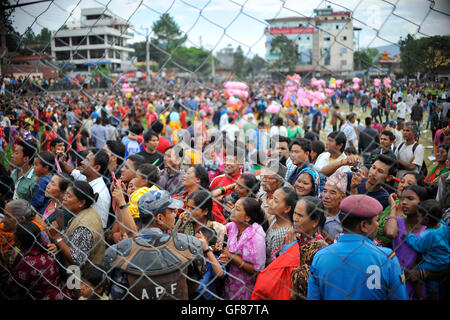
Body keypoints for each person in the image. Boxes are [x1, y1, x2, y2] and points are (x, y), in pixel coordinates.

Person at [104, 189, 204, 300]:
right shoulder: (189, 244)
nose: (175, 215)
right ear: (160, 218)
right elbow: (193, 283)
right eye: (171, 211)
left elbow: (117, 294)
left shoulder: (120, 252)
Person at [308, 194, 409, 300]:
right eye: (376, 220)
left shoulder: (321, 256)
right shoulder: (386, 258)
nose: (378, 225)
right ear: (364, 225)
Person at [251, 196, 327, 300]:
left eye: (300, 215)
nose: (295, 219)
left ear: (315, 221)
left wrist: (289, 254)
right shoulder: (294, 236)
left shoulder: (320, 248)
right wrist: (283, 252)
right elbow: (275, 259)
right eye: (295, 213)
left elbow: (305, 284)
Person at [2, 221, 73, 300]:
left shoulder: (27, 263)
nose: (13, 235)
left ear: (19, 241)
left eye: (15, 234)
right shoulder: (47, 247)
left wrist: (4, 266)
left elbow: (9, 289)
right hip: (64, 293)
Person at [384, 185, 429, 298]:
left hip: (418, 282)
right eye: (402, 198)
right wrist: (393, 207)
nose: (404, 202)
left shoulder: (428, 228)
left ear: (422, 202)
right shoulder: (397, 222)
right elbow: (390, 233)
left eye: (410, 198)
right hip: (394, 279)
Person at [46, 181, 105, 267]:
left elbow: (76, 260)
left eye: (69, 196)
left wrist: (57, 238)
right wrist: (58, 247)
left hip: (82, 276)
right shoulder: (85, 211)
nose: (64, 198)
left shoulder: (84, 227)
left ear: (81, 203)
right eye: (65, 194)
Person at [218, 197, 266, 300]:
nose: (232, 211)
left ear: (247, 218)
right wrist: (225, 257)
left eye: (237, 209)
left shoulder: (257, 236)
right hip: (229, 282)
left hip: (245, 287)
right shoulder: (232, 226)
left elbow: (256, 270)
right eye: (234, 207)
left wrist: (231, 256)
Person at [405, 200, 450, 300]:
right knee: (431, 282)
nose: (417, 217)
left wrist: (409, 237)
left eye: (419, 215)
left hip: (434, 262)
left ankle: (419, 296)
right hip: (445, 260)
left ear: (426, 220)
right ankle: (433, 294)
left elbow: (419, 247)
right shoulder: (443, 226)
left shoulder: (428, 234)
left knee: (415, 272)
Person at [63, 149, 111, 229]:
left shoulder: (100, 194)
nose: (82, 162)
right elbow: (71, 171)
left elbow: (100, 226)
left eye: (87, 160)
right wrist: (61, 161)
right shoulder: (85, 177)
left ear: (96, 167)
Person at [376, 171, 424, 247]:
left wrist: (393, 207)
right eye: (402, 181)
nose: (404, 185)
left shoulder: (414, 212)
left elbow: (391, 233)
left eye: (410, 184)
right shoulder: (394, 202)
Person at [265, 186, 298, 265]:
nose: (270, 202)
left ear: (287, 209)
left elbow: (273, 260)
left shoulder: (282, 234)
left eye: (276, 201)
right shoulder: (275, 220)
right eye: (272, 198)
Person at [191, 227, 226, 300]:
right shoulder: (191, 256)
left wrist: (207, 250)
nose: (196, 244)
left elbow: (220, 274)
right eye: (194, 240)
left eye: (200, 242)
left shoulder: (213, 260)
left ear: (212, 247)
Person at [321, 170, 347, 243]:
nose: (326, 196)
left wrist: (332, 242)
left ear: (343, 197)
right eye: (325, 191)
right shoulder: (315, 211)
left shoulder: (345, 222)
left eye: (332, 193)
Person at [30, 151, 54, 215]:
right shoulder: (54, 176)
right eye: (33, 164)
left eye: (36, 165)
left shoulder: (42, 181)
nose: (33, 167)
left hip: (41, 212)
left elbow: (37, 202)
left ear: (46, 168)